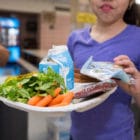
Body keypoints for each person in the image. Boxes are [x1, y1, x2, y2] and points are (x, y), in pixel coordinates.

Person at [67, 0, 140, 140]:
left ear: (130, 2)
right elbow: (70, 87)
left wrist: (137, 89)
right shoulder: (74, 39)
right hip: (76, 135)